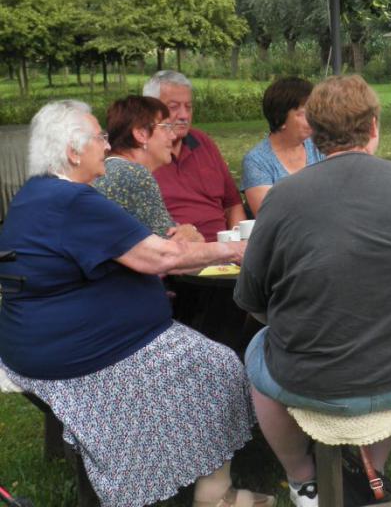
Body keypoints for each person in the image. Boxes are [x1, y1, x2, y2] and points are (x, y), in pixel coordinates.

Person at [0, 100, 273, 507]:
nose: (107, 146)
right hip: (77, 356)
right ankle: (214, 494)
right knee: (219, 368)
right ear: (74, 151)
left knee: (198, 364)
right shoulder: (74, 201)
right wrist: (236, 252)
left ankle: (189, 475)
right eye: (99, 138)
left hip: (38, 347)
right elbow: (161, 256)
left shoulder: (37, 194)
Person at [235, 75, 391, 507]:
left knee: (259, 349)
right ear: (375, 126)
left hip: (314, 375)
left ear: (315, 133)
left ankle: (302, 479)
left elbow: (253, 300)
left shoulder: (280, 199)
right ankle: (371, 466)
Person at [144, 70, 245, 242]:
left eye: (188, 107)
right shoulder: (141, 156)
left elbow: (233, 204)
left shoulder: (203, 143)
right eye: (174, 107)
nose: (184, 115)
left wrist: (239, 243)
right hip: (177, 254)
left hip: (225, 254)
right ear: (150, 109)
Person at [94, 95, 203, 241]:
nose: (173, 135)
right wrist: (194, 234)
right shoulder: (133, 174)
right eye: (166, 127)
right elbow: (173, 249)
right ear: (141, 134)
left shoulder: (110, 168)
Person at [241, 77, 324, 216]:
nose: (313, 119)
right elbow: (269, 217)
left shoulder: (320, 147)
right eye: (304, 114)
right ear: (280, 119)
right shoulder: (257, 161)